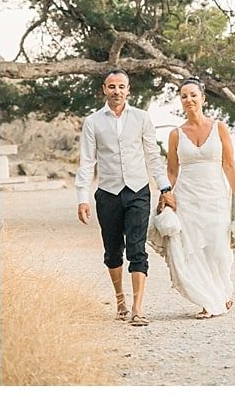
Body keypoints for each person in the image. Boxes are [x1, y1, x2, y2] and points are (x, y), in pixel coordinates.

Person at [76, 69, 176, 327]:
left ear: (129, 90)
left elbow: (153, 156)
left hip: (138, 191)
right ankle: (120, 299)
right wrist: (82, 197)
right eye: (112, 87)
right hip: (107, 193)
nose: (117, 91)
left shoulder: (142, 118)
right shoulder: (93, 122)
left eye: (121, 86)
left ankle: (137, 308)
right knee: (112, 252)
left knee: (137, 249)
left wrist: (164, 188)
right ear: (104, 89)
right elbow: (87, 162)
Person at [153, 77, 235, 318]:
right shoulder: (176, 134)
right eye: (184, 96)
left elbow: (229, 165)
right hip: (187, 197)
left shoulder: (220, 128)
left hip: (216, 196)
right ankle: (208, 302)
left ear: (203, 98)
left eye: (193, 95)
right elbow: (172, 171)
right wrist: (166, 193)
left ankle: (223, 292)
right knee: (192, 249)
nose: (189, 100)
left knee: (218, 249)